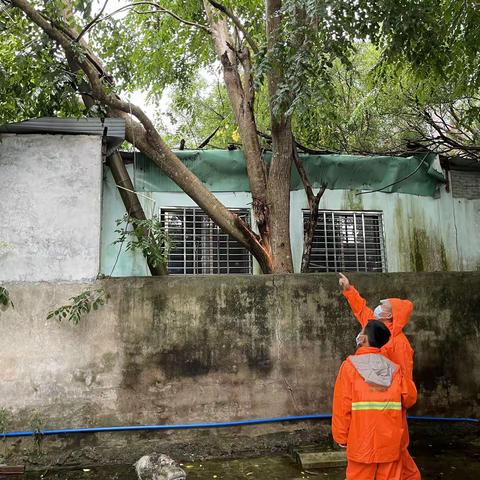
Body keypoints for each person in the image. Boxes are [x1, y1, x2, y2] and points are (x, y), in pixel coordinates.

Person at [338, 273, 420, 479]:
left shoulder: (398, 345)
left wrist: (341, 435)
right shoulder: (378, 330)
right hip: (387, 412)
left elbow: (342, 403)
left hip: (385, 409)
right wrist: (349, 290)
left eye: (384, 306)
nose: (378, 307)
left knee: (395, 455)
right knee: (394, 457)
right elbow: (361, 310)